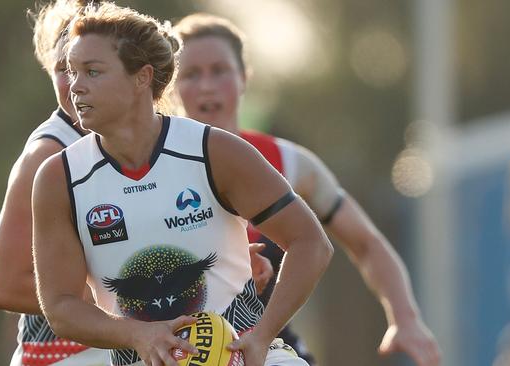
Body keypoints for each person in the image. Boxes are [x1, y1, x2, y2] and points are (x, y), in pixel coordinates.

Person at [31, 3, 334, 366]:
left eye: (92, 72)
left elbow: (311, 243)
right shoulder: (57, 177)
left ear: (142, 78)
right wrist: (138, 335)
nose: (76, 87)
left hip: (245, 355)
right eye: (70, 71)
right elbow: (60, 307)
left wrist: (263, 336)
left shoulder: (215, 151)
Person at [173, 13, 442, 366]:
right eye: (191, 74)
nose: (207, 85)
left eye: (219, 70)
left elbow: (366, 243)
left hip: (269, 350)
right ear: (168, 85)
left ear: (244, 78)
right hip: (178, 353)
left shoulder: (289, 163)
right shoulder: (143, 171)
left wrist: (405, 319)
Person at [0, 1, 109, 365]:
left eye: (91, 68)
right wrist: (129, 300)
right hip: (65, 357)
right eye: (62, 68)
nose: (75, 82)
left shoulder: (135, 140)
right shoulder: (46, 155)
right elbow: (6, 284)